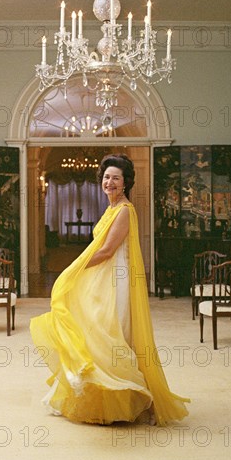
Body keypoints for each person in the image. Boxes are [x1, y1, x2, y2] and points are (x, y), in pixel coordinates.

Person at [30, 154, 190, 425]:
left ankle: (131, 399)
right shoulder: (111, 208)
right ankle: (99, 395)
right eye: (106, 177)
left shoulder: (125, 210)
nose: (110, 182)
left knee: (112, 332)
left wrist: (74, 267)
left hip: (116, 279)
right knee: (90, 327)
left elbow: (106, 251)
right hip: (101, 277)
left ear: (126, 182)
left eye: (116, 177)